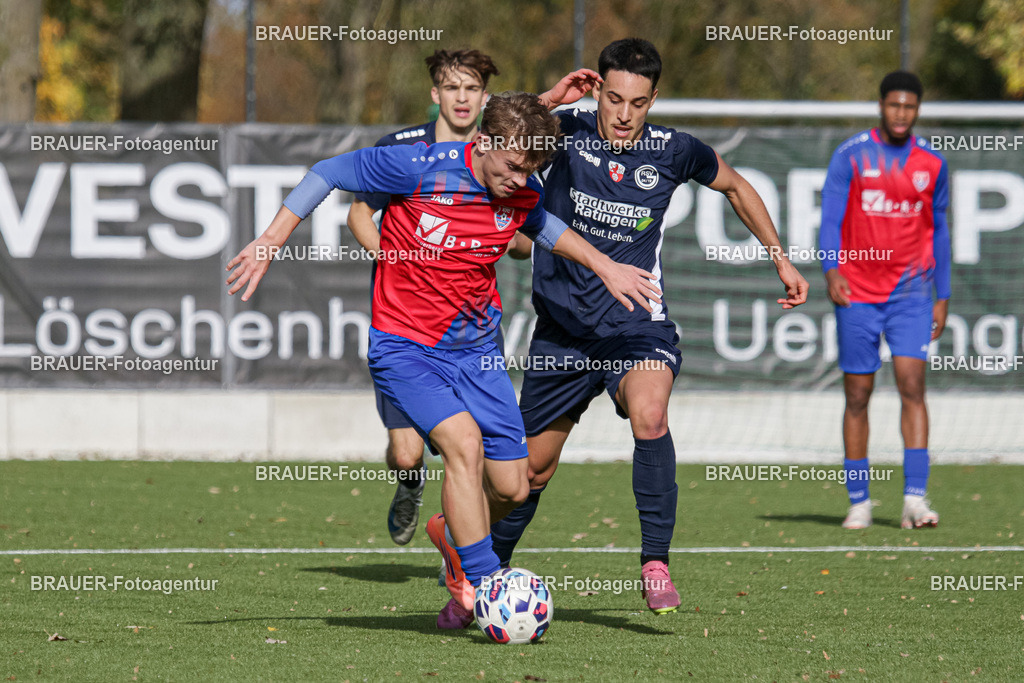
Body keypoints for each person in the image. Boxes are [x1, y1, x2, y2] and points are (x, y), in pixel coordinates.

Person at [226, 91, 663, 629]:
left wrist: (605, 266)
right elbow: (327, 172)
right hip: (405, 348)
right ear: (482, 142)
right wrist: (270, 241)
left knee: (514, 486)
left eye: (529, 171)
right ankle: (483, 584)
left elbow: (546, 227)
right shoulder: (418, 167)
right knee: (463, 442)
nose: (519, 180)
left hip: (478, 354)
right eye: (512, 166)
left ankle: (454, 539)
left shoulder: (521, 190)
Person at [490, 38, 809, 614]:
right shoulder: (564, 132)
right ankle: (486, 574)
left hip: (635, 326)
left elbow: (737, 186)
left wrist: (780, 258)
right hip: (562, 332)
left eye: (637, 103)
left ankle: (655, 562)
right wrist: (549, 99)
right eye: (613, 99)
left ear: (653, 99)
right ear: (599, 93)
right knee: (531, 472)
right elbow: (497, 139)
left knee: (650, 413)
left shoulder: (674, 150)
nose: (623, 113)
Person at [347, 49, 499, 547]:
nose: (462, 98)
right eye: (452, 88)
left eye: (471, 88)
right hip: (405, 328)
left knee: (474, 453)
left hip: (468, 333)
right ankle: (410, 486)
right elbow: (358, 216)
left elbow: (521, 241)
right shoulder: (401, 149)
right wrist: (395, 259)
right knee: (407, 454)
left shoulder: (496, 155)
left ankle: (461, 555)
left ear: (484, 97)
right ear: (436, 94)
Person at [818, 70, 950, 530]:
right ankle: (859, 502)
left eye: (909, 107)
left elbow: (940, 230)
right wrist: (831, 269)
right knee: (858, 394)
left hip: (912, 294)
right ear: (881, 105)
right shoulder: (851, 155)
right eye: (894, 105)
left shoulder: (932, 163)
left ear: (918, 110)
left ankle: (915, 499)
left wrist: (943, 295)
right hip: (857, 292)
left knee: (913, 386)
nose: (901, 113)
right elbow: (830, 220)